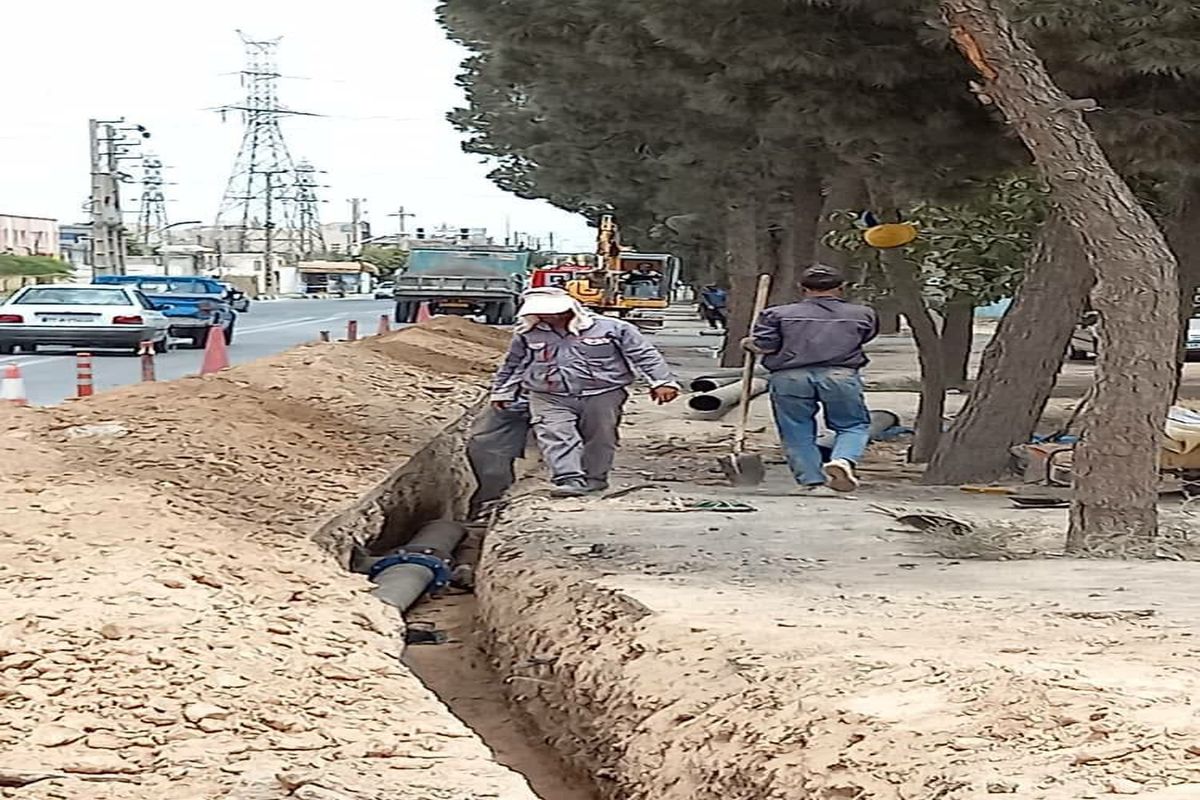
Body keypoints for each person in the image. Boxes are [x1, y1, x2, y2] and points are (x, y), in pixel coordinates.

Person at [491, 287, 680, 497]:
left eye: (554, 312)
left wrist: (662, 382)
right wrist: (502, 392)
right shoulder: (528, 334)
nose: (549, 317)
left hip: (603, 393)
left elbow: (644, 354)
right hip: (548, 395)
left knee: (600, 436)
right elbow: (513, 364)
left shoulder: (612, 328)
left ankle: (594, 479)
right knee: (555, 433)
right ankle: (568, 478)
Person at [747, 265, 878, 494]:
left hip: (789, 377)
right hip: (840, 374)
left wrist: (749, 344)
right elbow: (865, 337)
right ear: (841, 288)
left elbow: (765, 345)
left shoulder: (777, 314)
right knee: (853, 425)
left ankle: (812, 481)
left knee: (795, 428)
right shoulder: (862, 314)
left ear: (802, 288)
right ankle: (843, 460)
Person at [466, 392, 532, 517]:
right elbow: (517, 408)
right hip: (490, 446)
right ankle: (480, 518)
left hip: (495, 445)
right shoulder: (512, 398)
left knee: (500, 484)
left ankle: (480, 517)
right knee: (496, 483)